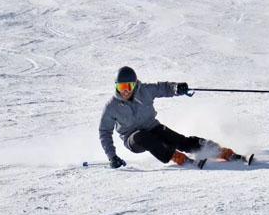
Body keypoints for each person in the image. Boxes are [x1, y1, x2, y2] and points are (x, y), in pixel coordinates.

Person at [99, 66, 234, 168]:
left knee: (179, 140)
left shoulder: (144, 91)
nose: (125, 91)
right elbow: (104, 132)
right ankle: (176, 157)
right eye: (122, 87)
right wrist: (112, 157)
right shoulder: (111, 107)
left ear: (135, 85)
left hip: (152, 128)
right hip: (133, 140)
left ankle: (218, 151)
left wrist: (176, 88)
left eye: (129, 86)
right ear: (116, 87)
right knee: (141, 135)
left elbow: (162, 88)